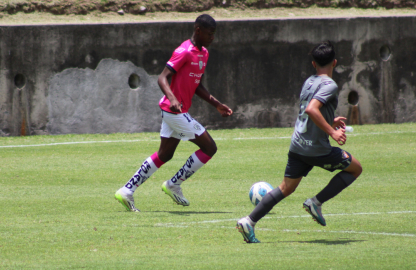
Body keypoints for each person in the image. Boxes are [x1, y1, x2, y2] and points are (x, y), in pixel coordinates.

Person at [236, 41, 362, 243]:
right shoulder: (330, 85)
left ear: (313, 64)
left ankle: (248, 221)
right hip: (317, 150)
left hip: (298, 145)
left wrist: (331, 120)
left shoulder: (309, 82)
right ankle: (316, 202)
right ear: (335, 62)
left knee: (286, 187)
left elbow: (309, 112)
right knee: (356, 169)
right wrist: (332, 132)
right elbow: (312, 110)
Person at [115, 14, 233, 212]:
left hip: (175, 112)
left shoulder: (203, 53)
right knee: (209, 147)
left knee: (165, 154)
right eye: (209, 34)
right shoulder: (184, 51)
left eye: (214, 34)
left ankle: (127, 190)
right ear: (198, 31)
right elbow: (162, 78)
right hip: (174, 112)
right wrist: (173, 98)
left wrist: (216, 104)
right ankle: (173, 184)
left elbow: (197, 85)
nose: (212, 38)